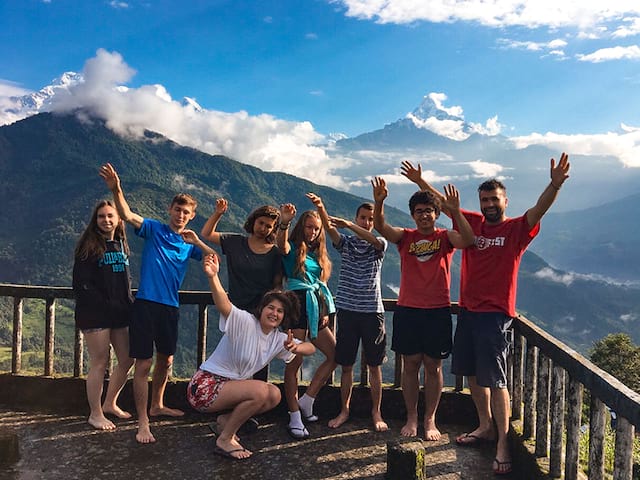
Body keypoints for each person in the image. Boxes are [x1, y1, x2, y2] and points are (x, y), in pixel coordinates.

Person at [402, 152, 570, 475]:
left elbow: (539, 209)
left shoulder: (517, 230)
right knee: (474, 377)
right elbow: (444, 204)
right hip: (467, 312)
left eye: (494, 199)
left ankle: (503, 444)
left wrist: (555, 185)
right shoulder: (472, 224)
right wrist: (420, 182)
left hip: (495, 316)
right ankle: (485, 426)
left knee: (496, 381)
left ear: (505, 200)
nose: (489, 204)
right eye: (484, 200)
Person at [99, 163, 215, 444]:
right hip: (146, 304)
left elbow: (214, 258)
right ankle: (143, 422)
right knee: (143, 363)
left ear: (192, 216)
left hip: (170, 307)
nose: (180, 215)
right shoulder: (153, 229)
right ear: (170, 210)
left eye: (186, 212)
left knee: (167, 360)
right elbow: (126, 215)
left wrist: (198, 242)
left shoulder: (189, 242)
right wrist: (116, 189)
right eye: (177, 210)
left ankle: (157, 405)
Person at [371, 176, 474, 441]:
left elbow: (468, 239)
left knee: (433, 366)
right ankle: (412, 416)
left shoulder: (445, 237)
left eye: (429, 210)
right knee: (410, 365)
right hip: (408, 309)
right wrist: (379, 202)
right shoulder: (406, 238)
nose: (424, 215)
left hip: (437, 310)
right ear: (413, 216)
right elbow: (381, 227)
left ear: (436, 214)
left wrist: (456, 210)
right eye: (419, 211)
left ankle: (430, 418)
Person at [187, 253, 315, 460]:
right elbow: (223, 304)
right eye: (270, 308)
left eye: (280, 311)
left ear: (284, 316)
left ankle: (224, 422)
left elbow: (311, 349)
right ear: (261, 309)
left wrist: (296, 347)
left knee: (274, 395)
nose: (274, 313)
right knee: (261, 391)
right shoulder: (245, 322)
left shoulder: (278, 339)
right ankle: (225, 439)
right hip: (204, 386)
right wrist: (213, 277)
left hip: (228, 389)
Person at [312, 198, 389, 432]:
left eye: (371, 219)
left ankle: (376, 412)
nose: (366, 222)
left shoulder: (380, 244)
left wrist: (349, 224)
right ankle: (344, 410)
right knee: (346, 365)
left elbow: (373, 239)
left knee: (374, 367)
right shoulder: (345, 244)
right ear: (357, 218)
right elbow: (329, 229)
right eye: (363, 218)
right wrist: (322, 208)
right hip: (347, 310)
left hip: (372, 312)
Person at [277, 195, 337, 439]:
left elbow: (320, 286)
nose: (312, 232)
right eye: (309, 227)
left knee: (336, 354)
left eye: (316, 228)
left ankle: (307, 400)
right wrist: (284, 223)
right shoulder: (292, 250)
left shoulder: (318, 255)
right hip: (296, 306)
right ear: (302, 227)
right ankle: (293, 416)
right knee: (294, 364)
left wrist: (324, 313)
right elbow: (281, 245)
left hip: (315, 308)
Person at [72, 200, 135, 430]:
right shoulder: (88, 246)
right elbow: (81, 284)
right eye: (101, 216)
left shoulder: (120, 244)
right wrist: (105, 304)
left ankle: (110, 403)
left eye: (111, 216)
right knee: (100, 362)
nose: (106, 220)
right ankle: (95, 413)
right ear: (95, 220)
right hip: (95, 315)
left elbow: (123, 282)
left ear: (118, 220)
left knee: (127, 358)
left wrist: (128, 304)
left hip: (120, 313)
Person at [200, 199, 282, 312]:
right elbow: (207, 234)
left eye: (268, 226)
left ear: (273, 229)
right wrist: (218, 213)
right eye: (261, 223)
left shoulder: (275, 253)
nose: (262, 228)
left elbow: (278, 285)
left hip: (261, 313)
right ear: (254, 221)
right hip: (233, 310)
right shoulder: (235, 242)